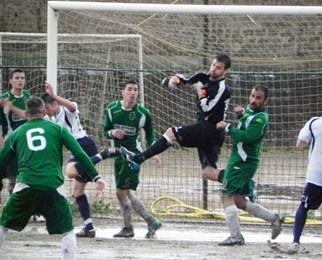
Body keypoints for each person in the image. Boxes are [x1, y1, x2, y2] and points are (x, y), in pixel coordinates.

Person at [0, 96, 107, 260]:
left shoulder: (17, 134)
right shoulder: (58, 129)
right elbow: (80, 154)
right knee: (67, 230)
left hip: (25, 186)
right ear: (44, 112)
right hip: (52, 187)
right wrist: (96, 177)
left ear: (26, 114)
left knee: (3, 225)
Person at [121, 53, 231, 183]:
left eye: (218, 68)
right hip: (205, 129)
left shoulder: (223, 89)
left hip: (211, 129)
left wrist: (201, 93)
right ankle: (242, 183)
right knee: (208, 172)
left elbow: (207, 109)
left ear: (225, 71)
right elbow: (185, 79)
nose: (213, 69)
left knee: (171, 133)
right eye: (213, 65)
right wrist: (173, 80)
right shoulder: (204, 77)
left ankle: (138, 159)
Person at [215, 85, 284, 246]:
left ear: (265, 101)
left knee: (225, 196)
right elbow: (246, 124)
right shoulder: (249, 110)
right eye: (252, 96)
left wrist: (227, 127)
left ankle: (236, 236)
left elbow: (247, 137)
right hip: (239, 160)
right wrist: (240, 116)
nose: (253, 100)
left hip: (243, 162)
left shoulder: (261, 118)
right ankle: (274, 218)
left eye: (258, 98)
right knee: (237, 200)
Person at [41, 81, 103, 238]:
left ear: (55, 103)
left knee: (69, 171)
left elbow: (73, 107)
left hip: (84, 145)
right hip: (78, 150)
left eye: (47, 108)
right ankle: (89, 227)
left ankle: (105, 154)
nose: (46, 112)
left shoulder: (66, 110)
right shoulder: (51, 119)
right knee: (77, 191)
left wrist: (55, 95)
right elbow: (30, 116)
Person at [103, 79, 162, 239]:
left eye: (135, 90)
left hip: (133, 157)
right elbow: (105, 130)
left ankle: (128, 228)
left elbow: (151, 136)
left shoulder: (143, 113)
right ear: (123, 92)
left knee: (120, 192)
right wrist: (112, 133)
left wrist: (154, 152)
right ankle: (151, 221)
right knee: (126, 192)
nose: (133, 93)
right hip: (117, 155)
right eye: (129, 89)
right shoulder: (112, 109)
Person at [287, 117, 322, 254]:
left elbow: (300, 145)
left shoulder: (315, 122)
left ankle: (295, 241)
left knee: (304, 207)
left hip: (317, 175)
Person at [0, 68, 30, 195]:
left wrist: (11, 107)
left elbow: (28, 116)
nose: (20, 81)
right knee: (13, 177)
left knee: (27, 175)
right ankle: (13, 203)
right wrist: (1, 140)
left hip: (26, 142)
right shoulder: (4, 98)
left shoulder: (28, 97)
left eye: (22, 78)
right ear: (10, 81)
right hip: (11, 141)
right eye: (17, 78)